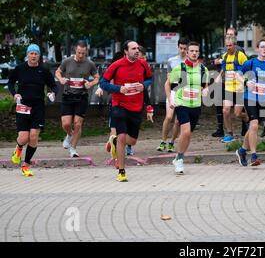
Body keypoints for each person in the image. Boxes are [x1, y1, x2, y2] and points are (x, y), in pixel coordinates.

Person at [100, 40, 153, 182]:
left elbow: (150, 78)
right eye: (133, 48)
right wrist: (118, 89)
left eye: (137, 48)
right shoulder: (116, 66)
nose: (137, 51)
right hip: (120, 105)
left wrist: (143, 85)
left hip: (136, 106)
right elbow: (103, 83)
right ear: (126, 51)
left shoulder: (142, 64)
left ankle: (114, 141)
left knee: (132, 141)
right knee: (123, 138)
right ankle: (122, 171)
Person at [8, 44, 58, 177]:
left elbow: (53, 85)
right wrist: (15, 94)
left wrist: (53, 93)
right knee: (23, 138)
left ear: (39, 56)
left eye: (36, 53)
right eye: (31, 53)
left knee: (34, 137)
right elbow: (10, 83)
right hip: (23, 106)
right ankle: (18, 149)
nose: (33, 56)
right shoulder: (20, 69)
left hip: (38, 107)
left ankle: (25, 165)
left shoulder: (44, 71)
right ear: (27, 55)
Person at [235, 39, 265, 166]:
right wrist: (245, 82)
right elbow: (237, 75)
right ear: (257, 49)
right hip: (249, 97)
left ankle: (242, 150)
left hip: (263, 99)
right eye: (262, 47)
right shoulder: (250, 63)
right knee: (254, 124)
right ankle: (254, 155)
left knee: (253, 127)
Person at [169, 41, 209, 174]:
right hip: (181, 103)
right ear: (187, 52)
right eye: (191, 51)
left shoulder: (203, 69)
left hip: (196, 105)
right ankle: (179, 160)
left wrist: (205, 90)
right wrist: (171, 99)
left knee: (188, 135)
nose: (194, 53)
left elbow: (205, 85)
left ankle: (178, 157)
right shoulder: (179, 68)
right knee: (185, 132)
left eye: (196, 51)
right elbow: (167, 84)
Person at [55, 40, 99, 158]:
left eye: (83, 53)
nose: (81, 55)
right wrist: (61, 79)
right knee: (66, 124)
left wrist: (90, 84)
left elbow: (96, 78)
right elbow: (58, 72)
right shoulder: (67, 61)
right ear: (76, 50)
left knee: (77, 124)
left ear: (86, 52)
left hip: (82, 96)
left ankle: (73, 149)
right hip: (68, 95)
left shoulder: (90, 64)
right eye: (79, 53)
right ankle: (69, 135)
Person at [215, 36, 249, 143]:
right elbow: (224, 69)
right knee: (225, 111)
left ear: (235, 45)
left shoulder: (241, 56)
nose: (228, 48)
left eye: (230, 46)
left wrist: (244, 80)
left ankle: (249, 119)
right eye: (227, 46)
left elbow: (248, 70)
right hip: (229, 88)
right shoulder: (225, 56)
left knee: (238, 114)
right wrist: (219, 76)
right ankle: (229, 134)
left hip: (239, 89)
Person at [157, 38, 188, 152]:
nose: (183, 50)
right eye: (181, 48)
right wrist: (169, 95)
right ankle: (163, 141)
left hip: (184, 92)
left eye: (185, 48)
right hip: (173, 91)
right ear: (178, 47)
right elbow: (168, 79)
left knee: (178, 121)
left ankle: (172, 142)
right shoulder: (171, 61)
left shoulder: (190, 61)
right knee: (169, 117)